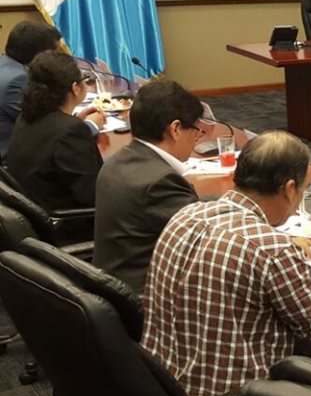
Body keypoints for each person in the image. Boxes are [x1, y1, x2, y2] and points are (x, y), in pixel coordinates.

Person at [141, 131, 311, 396]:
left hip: (163, 386)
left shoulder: (188, 215)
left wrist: (286, 243)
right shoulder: (271, 249)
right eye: (303, 189)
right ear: (289, 188)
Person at [93, 80, 205, 293]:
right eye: (196, 130)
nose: (197, 139)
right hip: (146, 298)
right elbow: (207, 245)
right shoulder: (160, 183)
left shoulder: (118, 160)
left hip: (115, 283)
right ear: (176, 129)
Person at [5, 50, 105, 211]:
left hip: (37, 213)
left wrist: (75, 120)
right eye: (84, 80)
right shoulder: (71, 131)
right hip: (68, 224)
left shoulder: (25, 117)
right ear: (75, 88)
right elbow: (92, 195)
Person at [0, 21, 62, 160]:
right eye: (55, 53)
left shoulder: (5, 63)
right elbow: (44, 129)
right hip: (12, 162)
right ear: (39, 55)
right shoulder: (17, 80)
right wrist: (90, 125)